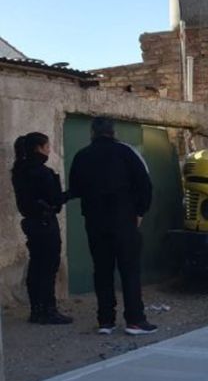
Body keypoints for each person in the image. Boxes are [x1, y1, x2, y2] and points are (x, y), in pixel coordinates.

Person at [68, 117, 157, 335]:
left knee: (102, 271)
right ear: (113, 132)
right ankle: (135, 320)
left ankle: (105, 321)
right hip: (124, 220)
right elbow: (145, 184)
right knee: (130, 271)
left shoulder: (82, 156)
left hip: (95, 222)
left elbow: (75, 188)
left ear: (92, 133)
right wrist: (140, 212)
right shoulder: (126, 153)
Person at [11, 132, 73, 325]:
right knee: (47, 267)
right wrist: (71, 193)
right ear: (39, 148)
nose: (49, 149)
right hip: (45, 224)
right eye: (47, 146)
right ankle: (48, 310)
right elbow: (55, 200)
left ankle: (37, 310)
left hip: (32, 223)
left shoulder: (20, 170)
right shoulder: (41, 172)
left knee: (37, 266)